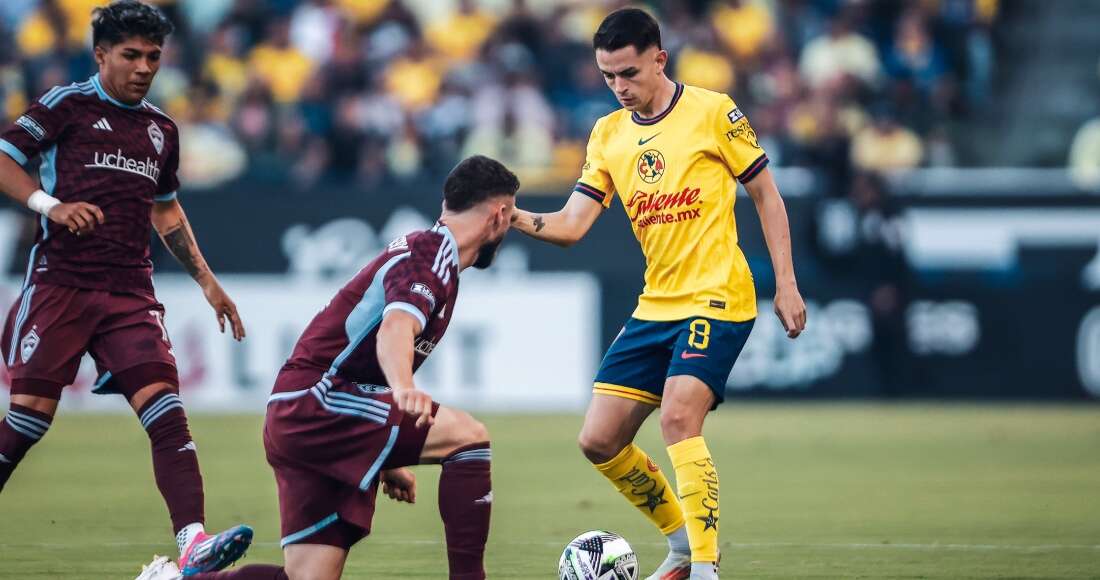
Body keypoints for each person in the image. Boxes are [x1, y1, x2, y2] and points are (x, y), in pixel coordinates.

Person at [510, 8, 807, 579]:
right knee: (598, 440)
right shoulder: (607, 134)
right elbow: (572, 226)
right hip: (656, 305)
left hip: (718, 295)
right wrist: (512, 217)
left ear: (659, 58)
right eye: (608, 76)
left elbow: (768, 195)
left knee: (677, 418)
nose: (620, 87)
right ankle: (679, 541)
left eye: (629, 72)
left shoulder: (714, 111)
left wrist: (787, 283)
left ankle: (704, 568)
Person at [136, 155, 518, 580]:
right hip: (318, 403)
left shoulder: (428, 252)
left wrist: (387, 457)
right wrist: (404, 387)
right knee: (469, 438)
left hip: (301, 411)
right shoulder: (432, 252)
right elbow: (394, 328)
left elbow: (367, 349)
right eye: (512, 214)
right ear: (500, 215)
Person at [0, 1, 252, 575]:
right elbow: (4, 160)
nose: (143, 67)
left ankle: (192, 544)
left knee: (167, 413)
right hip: (60, 284)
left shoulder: (161, 130)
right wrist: (51, 205)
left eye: (153, 57)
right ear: (101, 55)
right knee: (26, 424)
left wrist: (209, 284)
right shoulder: (67, 106)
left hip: (129, 295)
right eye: (131, 55)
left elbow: (166, 213)